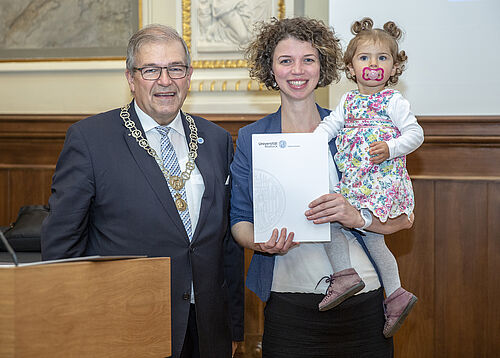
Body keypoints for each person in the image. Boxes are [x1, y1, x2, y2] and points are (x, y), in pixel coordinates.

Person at [41, 24, 244, 358]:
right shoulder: (91, 140)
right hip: (124, 320)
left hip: (206, 325)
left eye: (175, 69)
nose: (165, 81)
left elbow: (226, 245)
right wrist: (68, 322)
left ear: (189, 75)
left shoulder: (217, 140)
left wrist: (234, 326)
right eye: (151, 70)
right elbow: (63, 242)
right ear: (131, 78)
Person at [230, 17, 414, 358]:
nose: (297, 70)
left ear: (324, 64)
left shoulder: (358, 127)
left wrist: (355, 216)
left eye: (308, 59)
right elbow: (239, 220)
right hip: (288, 307)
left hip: (365, 305)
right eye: (286, 60)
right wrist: (261, 241)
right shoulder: (251, 138)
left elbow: (403, 219)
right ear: (270, 69)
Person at [313, 17, 423, 337]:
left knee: (367, 234)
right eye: (364, 57)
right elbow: (328, 129)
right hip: (355, 181)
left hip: (381, 181)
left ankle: (362, 281)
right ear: (351, 67)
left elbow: (416, 134)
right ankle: (390, 292)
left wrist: (390, 147)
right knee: (340, 223)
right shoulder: (347, 101)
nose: (373, 64)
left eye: (382, 58)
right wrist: (308, 144)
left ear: (393, 68)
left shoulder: (393, 101)